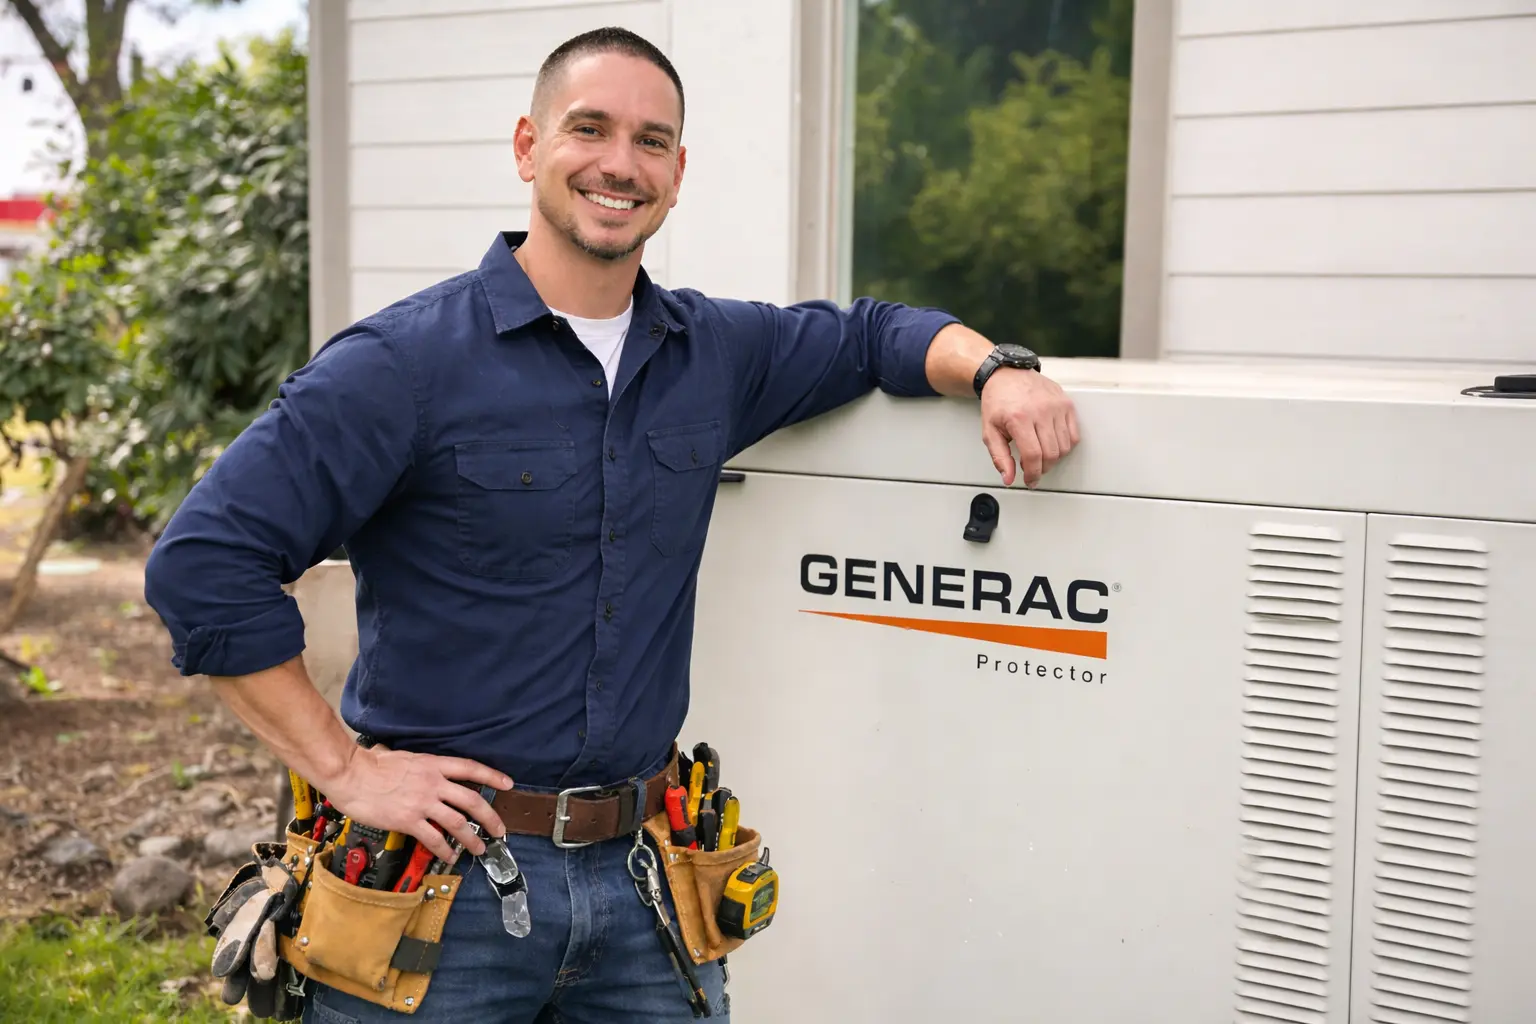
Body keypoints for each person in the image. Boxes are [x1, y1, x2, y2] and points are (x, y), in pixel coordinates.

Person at [143, 25, 1079, 1024]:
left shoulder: (714, 353)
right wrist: (342, 767)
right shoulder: (402, 365)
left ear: (678, 173)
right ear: (527, 147)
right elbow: (203, 563)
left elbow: (872, 334)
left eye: (651, 140)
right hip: (436, 899)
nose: (619, 164)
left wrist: (995, 369)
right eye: (588, 128)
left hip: (646, 890)